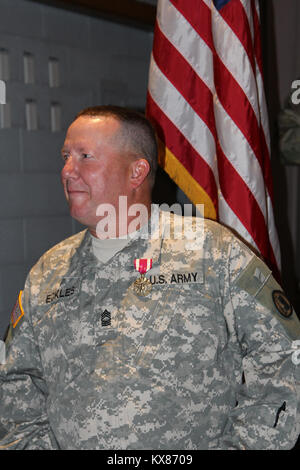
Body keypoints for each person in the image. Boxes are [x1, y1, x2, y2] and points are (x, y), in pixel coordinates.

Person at [0, 105, 299, 450]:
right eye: (66, 156)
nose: (68, 171)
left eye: (85, 156)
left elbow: (285, 359)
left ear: (137, 171)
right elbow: (15, 383)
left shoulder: (211, 252)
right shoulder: (48, 271)